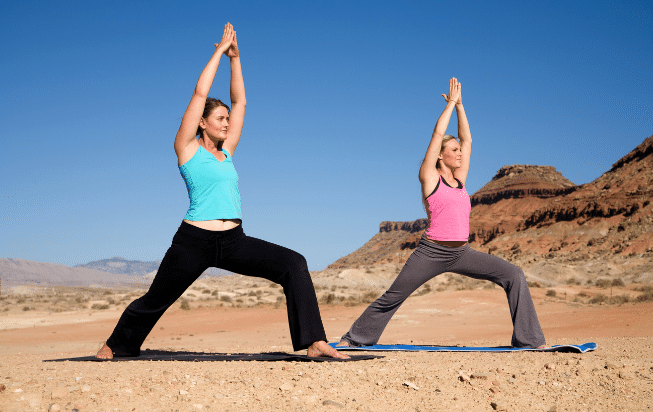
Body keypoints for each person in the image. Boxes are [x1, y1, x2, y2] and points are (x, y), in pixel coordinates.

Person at [96, 23, 347, 359]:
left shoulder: (226, 152)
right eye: (220, 118)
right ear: (202, 122)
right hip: (194, 241)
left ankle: (314, 343)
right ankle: (117, 344)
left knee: (293, 264)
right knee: (156, 299)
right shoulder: (186, 149)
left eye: (228, 118)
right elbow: (199, 95)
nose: (227, 122)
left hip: (234, 241)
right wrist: (216, 52)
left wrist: (235, 59)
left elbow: (240, 101)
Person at [338, 78, 547, 349]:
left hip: (462, 252)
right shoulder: (429, 177)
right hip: (431, 252)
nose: (460, 153)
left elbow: (468, 139)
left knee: (514, 275)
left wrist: (461, 106)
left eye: (460, 151)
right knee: (394, 295)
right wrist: (449, 105)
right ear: (440, 156)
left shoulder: (459, 179)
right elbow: (437, 137)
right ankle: (352, 339)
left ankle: (529, 339)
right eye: (454, 151)